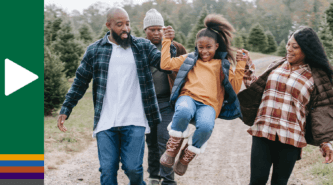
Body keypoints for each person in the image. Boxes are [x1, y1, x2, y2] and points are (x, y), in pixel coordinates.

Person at [56, 7, 176, 185]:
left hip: (134, 120)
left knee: (133, 169)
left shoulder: (142, 46)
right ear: (108, 25)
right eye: (119, 25)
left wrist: (168, 43)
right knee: (107, 170)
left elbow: (165, 65)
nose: (125, 28)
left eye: (127, 24)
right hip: (106, 121)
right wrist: (66, 108)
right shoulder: (95, 50)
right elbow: (80, 82)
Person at [237, 27, 333, 185]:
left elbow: (320, 112)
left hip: (290, 138)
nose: (289, 49)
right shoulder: (276, 66)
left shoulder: (314, 77)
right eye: (288, 44)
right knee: (257, 180)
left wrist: (325, 143)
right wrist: (248, 65)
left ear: (306, 50)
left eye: (295, 47)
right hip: (263, 131)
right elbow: (258, 89)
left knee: (279, 182)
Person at [159, 14, 248, 176]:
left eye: (209, 47)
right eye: (201, 47)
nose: (204, 51)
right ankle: (172, 148)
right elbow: (165, 64)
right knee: (184, 110)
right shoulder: (189, 59)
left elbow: (234, 89)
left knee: (206, 126)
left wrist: (240, 64)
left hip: (209, 105)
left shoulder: (222, 65)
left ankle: (186, 157)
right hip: (188, 98)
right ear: (196, 46)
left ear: (216, 46)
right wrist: (167, 41)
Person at [143, 9, 187, 185]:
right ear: (145, 30)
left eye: (159, 29)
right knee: (151, 142)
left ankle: (168, 181)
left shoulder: (176, 47)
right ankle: (154, 176)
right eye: (152, 29)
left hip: (167, 103)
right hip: (146, 104)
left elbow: (187, 70)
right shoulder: (140, 48)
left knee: (165, 141)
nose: (156, 33)